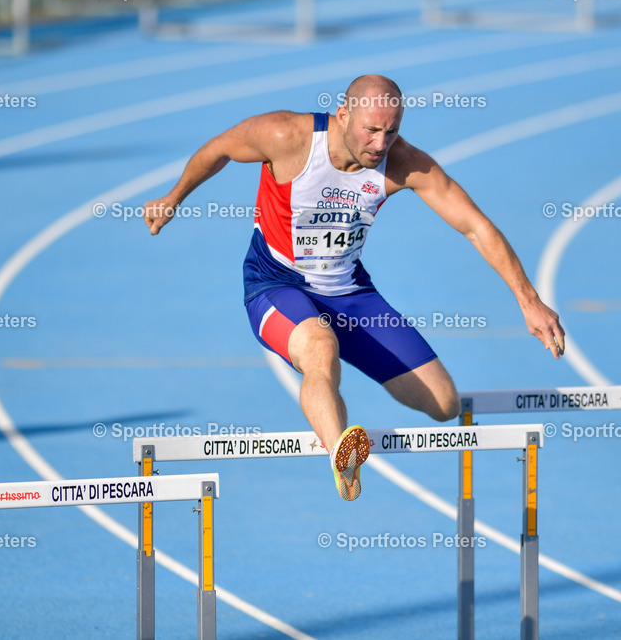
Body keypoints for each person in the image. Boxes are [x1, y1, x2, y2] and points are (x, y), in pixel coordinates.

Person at [144, 75, 565, 501]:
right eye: (371, 130)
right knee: (319, 349)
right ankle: (341, 458)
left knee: (445, 404)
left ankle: (341, 429)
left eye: (392, 131)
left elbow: (474, 225)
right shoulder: (286, 136)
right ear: (342, 115)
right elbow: (218, 149)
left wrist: (529, 301)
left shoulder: (403, 162)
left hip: (349, 293)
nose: (381, 145)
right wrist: (173, 197)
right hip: (275, 283)